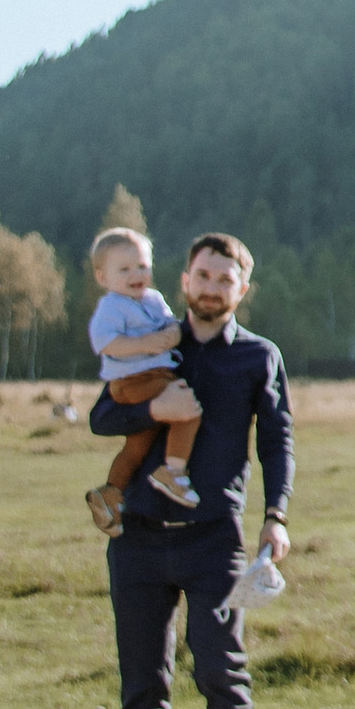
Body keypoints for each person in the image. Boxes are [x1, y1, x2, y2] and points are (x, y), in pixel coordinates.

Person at [99, 232, 292, 709]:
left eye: (224, 280)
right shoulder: (149, 343)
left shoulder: (259, 358)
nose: (211, 288)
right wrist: (155, 405)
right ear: (184, 281)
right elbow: (104, 415)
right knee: (142, 688)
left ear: (241, 290)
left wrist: (276, 516)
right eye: (202, 276)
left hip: (215, 541)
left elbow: (277, 444)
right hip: (138, 541)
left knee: (221, 675)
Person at [80, 222, 203, 529]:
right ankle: (173, 471)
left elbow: (169, 326)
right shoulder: (111, 307)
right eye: (124, 270)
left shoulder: (153, 300)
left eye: (142, 266)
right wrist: (144, 344)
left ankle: (109, 494)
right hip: (133, 380)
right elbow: (104, 342)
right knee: (187, 408)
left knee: (138, 444)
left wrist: (174, 333)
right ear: (102, 277)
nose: (136, 275)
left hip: (151, 374)